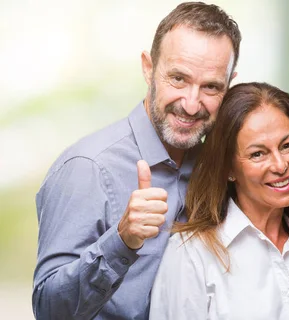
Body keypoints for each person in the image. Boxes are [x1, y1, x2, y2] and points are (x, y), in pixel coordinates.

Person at [32, 2, 241, 319]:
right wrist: (122, 241)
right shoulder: (87, 167)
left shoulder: (220, 166)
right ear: (148, 67)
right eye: (178, 79)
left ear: (228, 85)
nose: (191, 103)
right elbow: (48, 309)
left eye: (211, 86)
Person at [149, 82, 289, 320]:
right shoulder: (191, 256)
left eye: (287, 146)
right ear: (228, 168)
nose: (280, 166)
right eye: (258, 153)